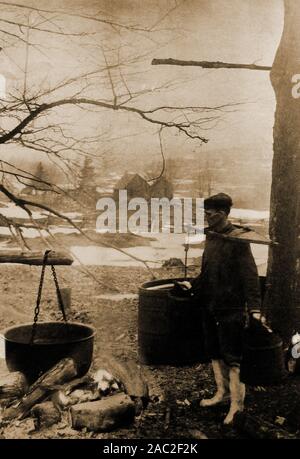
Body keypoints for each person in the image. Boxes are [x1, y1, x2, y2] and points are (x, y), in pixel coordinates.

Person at [180, 193, 264, 425]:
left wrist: (254, 308)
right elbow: (208, 272)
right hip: (210, 304)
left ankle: (237, 405)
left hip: (231, 307)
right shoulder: (213, 237)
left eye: (209, 213)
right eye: (204, 213)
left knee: (232, 356)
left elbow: (250, 276)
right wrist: (194, 284)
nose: (205, 217)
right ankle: (222, 393)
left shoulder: (237, 240)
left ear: (223, 214)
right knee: (214, 352)